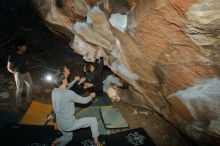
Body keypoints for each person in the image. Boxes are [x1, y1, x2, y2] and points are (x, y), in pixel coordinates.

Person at [51, 71, 101, 146]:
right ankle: (96, 142)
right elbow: (84, 101)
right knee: (93, 120)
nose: (67, 78)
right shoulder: (69, 94)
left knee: (68, 138)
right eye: (66, 78)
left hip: (60, 124)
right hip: (69, 124)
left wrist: (75, 81)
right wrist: (91, 96)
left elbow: (66, 88)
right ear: (64, 80)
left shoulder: (54, 91)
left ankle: (55, 142)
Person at [7, 38, 33, 111]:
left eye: (25, 46)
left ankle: (28, 100)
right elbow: (9, 67)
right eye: (24, 46)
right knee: (20, 89)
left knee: (30, 85)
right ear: (19, 47)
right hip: (18, 73)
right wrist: (15, 73)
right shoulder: (12, 55)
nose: (25, 47)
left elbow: (26, 62)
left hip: (26, 72)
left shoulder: (25, 54)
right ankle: (19, 105)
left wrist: (25, 67)